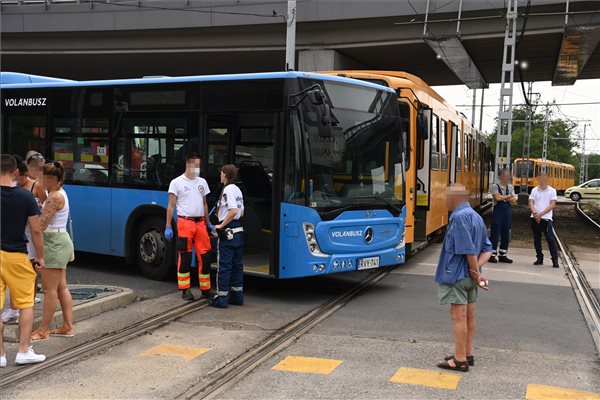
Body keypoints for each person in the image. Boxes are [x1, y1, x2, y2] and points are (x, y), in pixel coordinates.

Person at [435, 184, 492, 372]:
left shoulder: (458, 218)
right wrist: (477, 273)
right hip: (469, 277)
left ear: (454, 198)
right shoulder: (476, 217)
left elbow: (467, 250)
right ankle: (468, 353)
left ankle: (459, 360)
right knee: (470, 316)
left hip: (457, 275)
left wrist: (476, 273)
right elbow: (487, 249)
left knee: (458, 317)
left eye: (446, 197)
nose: (445, 200)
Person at [0, 154, 46, 366]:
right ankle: (23, 351)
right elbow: (36, 230)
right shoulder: (25, 197)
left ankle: (0, 355)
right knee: (26, 304)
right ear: (16, 172)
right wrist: (40, 256)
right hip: (17, 256)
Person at [31, 161, 75, 341]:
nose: (42, 181)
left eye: (45, 178)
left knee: (50, 290)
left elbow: (41, 224)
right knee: (61, 286)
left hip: (53, 243)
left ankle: (43, 330)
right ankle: (67, 326)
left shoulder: (54, 197)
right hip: (59, 240)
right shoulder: (57, 193)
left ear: (53, 179)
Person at [165, 152, 213, 301]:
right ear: (188, 165)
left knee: (205, 257)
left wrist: (208, 222)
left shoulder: (202, 182)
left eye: (199, 166)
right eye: (195, 165)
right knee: (185, 257)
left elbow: (204, 203)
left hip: (200, 224)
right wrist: (168, 226)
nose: (197, 168)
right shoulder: (176, 182)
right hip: (185, 223)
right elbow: (171, 205)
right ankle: (185, 290)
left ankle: (205, 289)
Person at [211, 164, 245, 309]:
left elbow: (232, 211)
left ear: (225, 174)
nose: (220, 175)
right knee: (237, 266)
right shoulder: (237, 189)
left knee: (224, 266)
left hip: (228, 233)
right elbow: (241, 212)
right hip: (238, 232)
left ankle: (222, 299)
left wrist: (221, 225)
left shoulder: (227, 190)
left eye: (221, 173)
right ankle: (237, 297)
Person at [529, 173, 559, 268]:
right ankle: (539, 258)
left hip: (546, 218)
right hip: (535, 217)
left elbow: (552, 204)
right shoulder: (534, 190)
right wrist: (535, 214)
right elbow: (531, 202)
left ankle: (554, 259)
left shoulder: (552, 191)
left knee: (550, 239)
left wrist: (540, 214)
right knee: (537, 239)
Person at [489, 168, 516, 263]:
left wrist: (503, 197)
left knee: (506, 234)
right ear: (500, 177)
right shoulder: (495, 186)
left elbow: (514, 200)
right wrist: (508, 196)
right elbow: (497, 198)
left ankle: (503, 255)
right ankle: (491, 255)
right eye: (505, 175)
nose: (507, 177)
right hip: (498, 213)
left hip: (507, 213)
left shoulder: (511, 187)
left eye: (508, 176)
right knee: (495, 233)